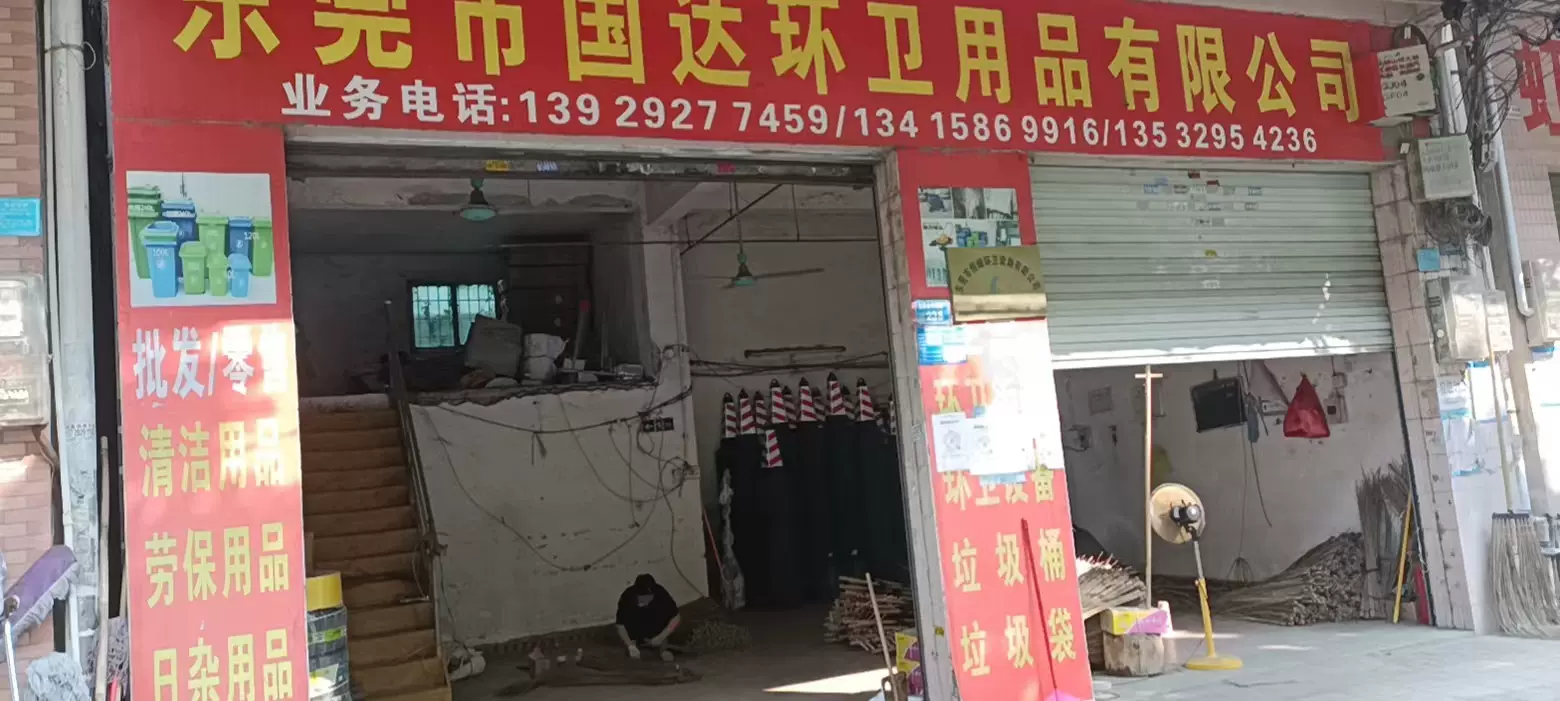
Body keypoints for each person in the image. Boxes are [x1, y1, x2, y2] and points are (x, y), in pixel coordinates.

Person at [614, 574, 681, 662]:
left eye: (646, 598)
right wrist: (630, 646)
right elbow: (620, 625)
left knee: (667, 656)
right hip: (635, 628)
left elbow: (676, 617)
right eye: (640, 599)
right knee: (632, 655)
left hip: (657, 628)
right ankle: (634, 644)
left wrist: (661, 637)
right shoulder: (627, 596)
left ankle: (664, 649)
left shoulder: (661, 594)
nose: (643, 602)